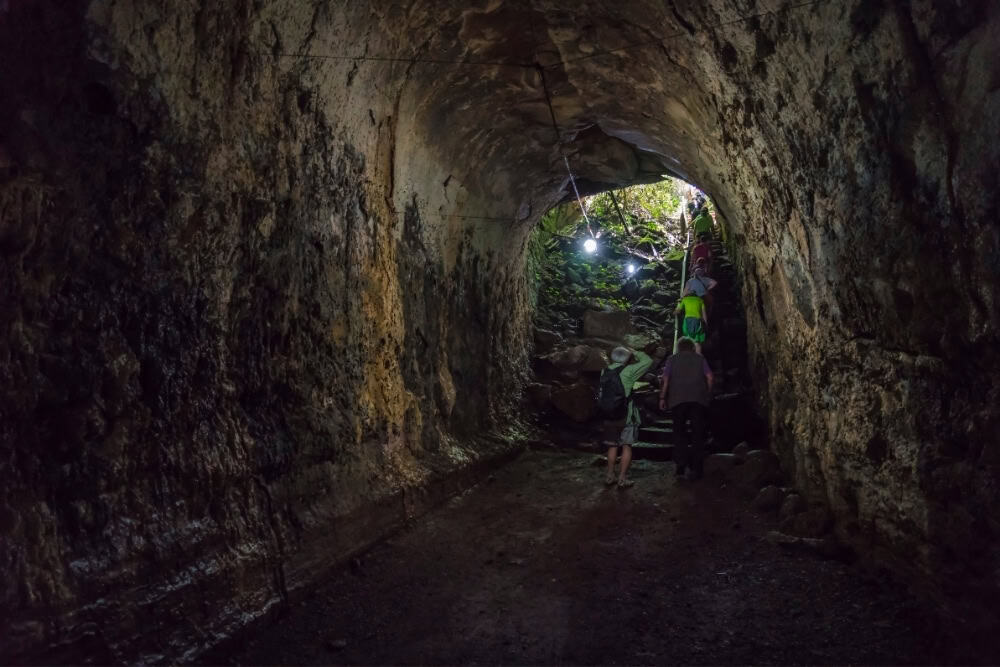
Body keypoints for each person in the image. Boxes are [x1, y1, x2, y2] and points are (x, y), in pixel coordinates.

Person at [598, 345, 655, 489]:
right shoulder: (629, 370)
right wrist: (635, 351)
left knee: (612, 446)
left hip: (609, 415)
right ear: (627, 357)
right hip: (627, 416)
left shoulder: (604, 371)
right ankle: (622, 479)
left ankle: (610, 475)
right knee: (626, 446)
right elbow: (648, 361)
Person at [658, 337, 713, 479]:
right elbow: (710, 377)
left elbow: (666, 379)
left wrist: (663, 397)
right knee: (697, 433)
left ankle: (681, 465)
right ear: (692, 347)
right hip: (698, 399)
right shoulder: (700, 359)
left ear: (679, 347)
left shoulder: (672, 359)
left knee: (679, 432)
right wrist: (707, 393)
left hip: (677, 399)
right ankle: (697, 468)